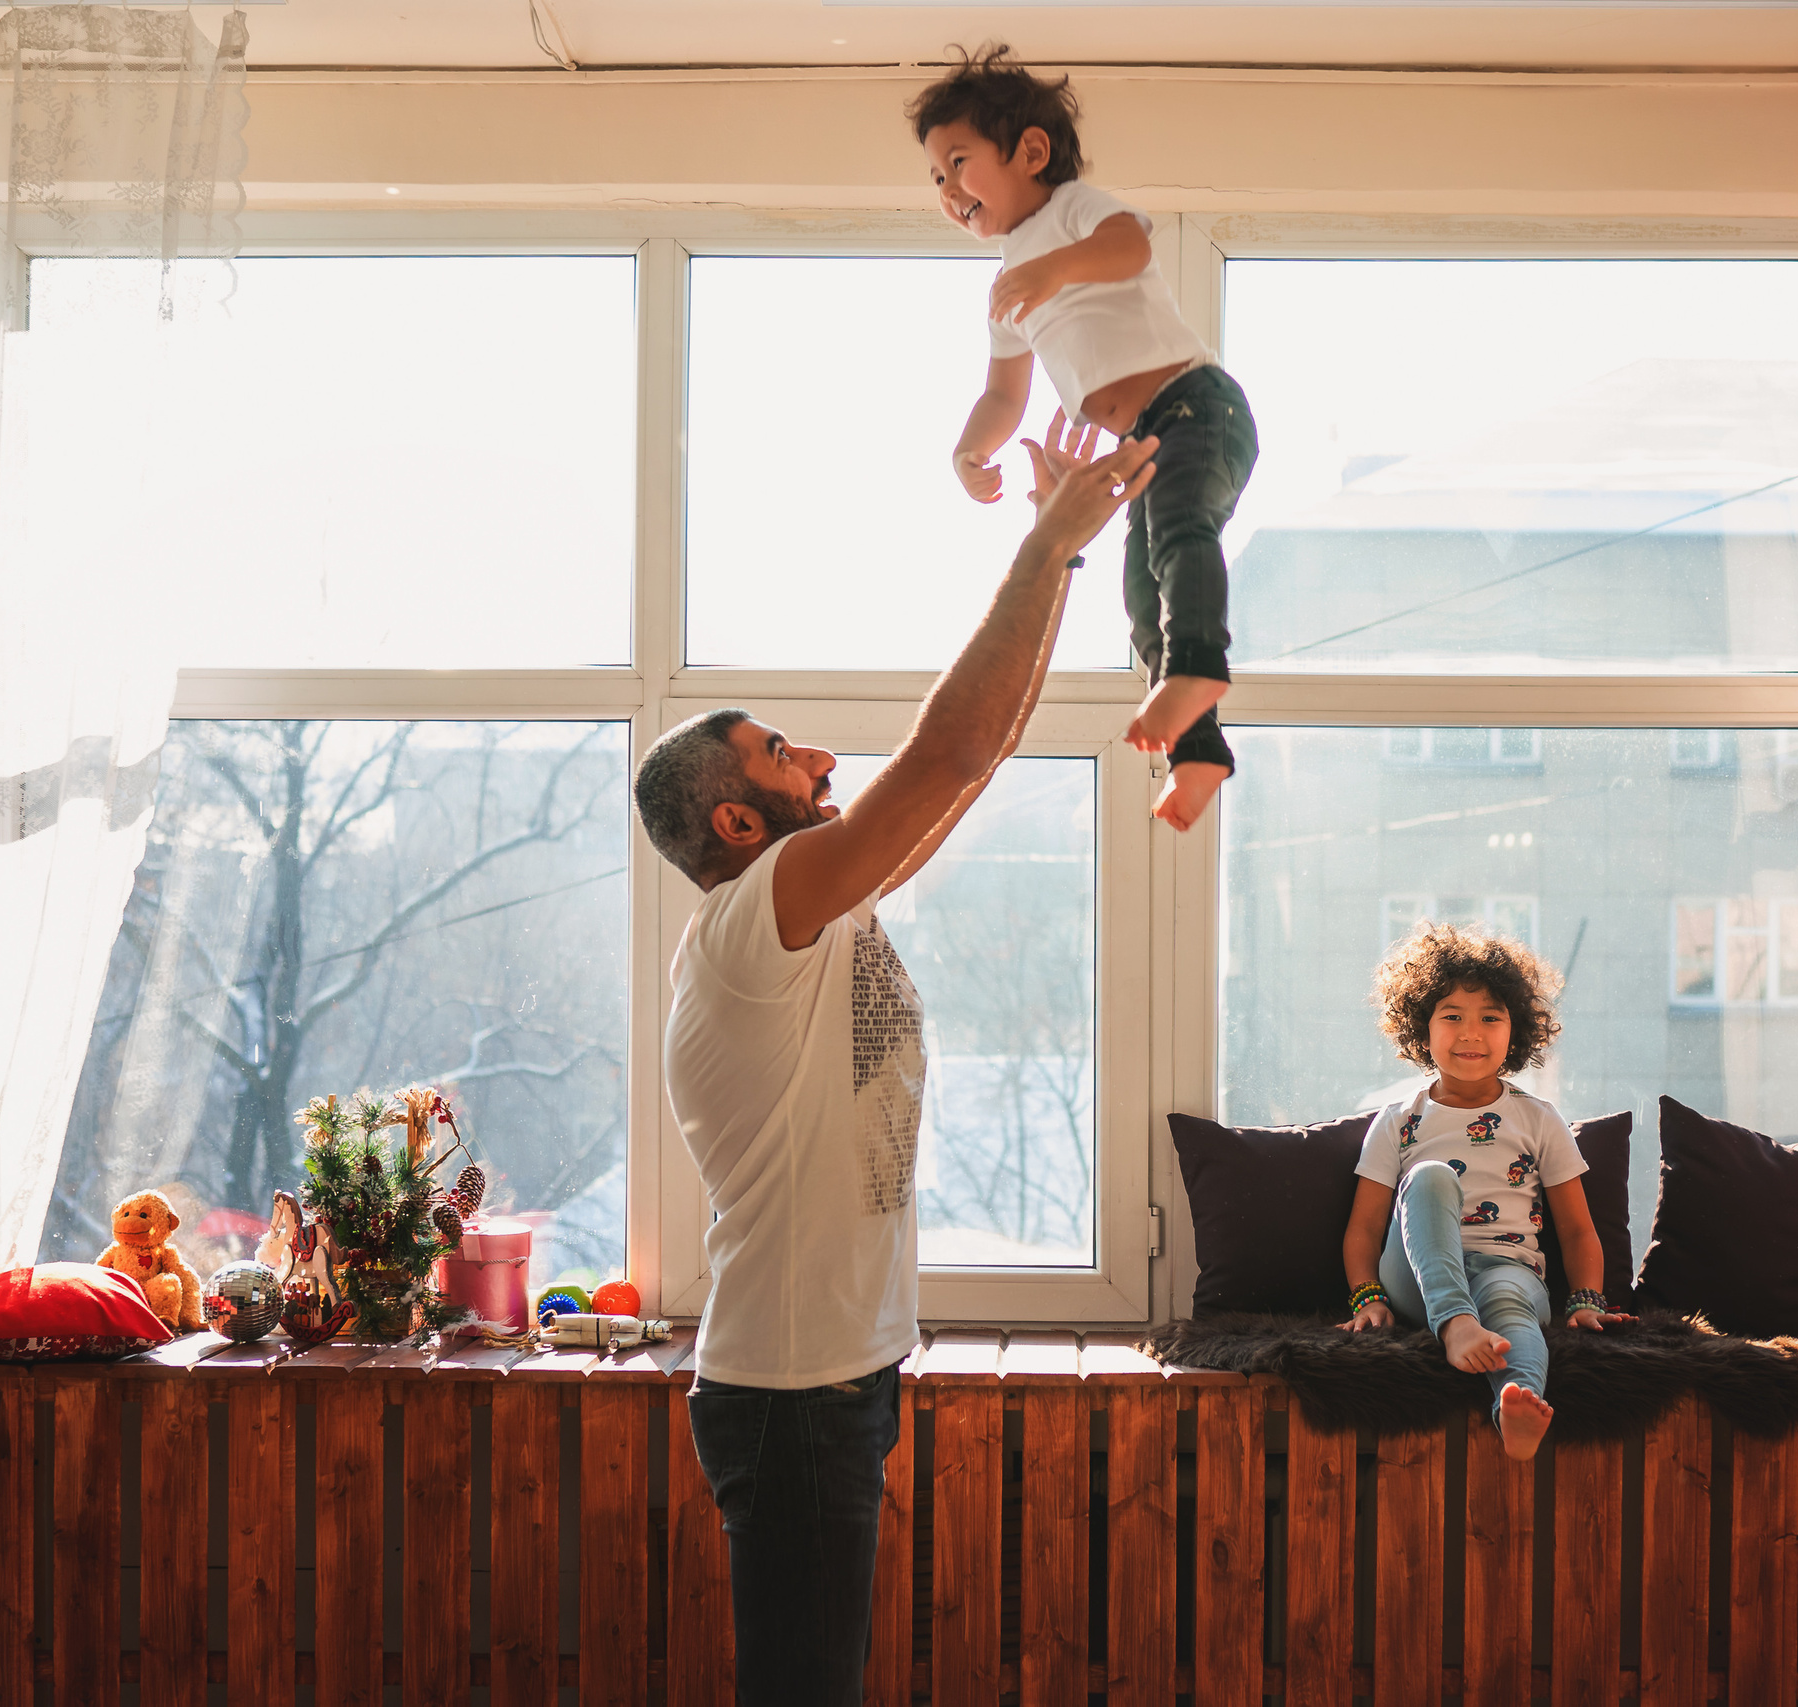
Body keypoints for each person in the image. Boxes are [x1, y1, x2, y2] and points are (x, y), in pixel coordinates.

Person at [637, 421, 1155, 1703]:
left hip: (831, 1375)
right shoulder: (758, 917)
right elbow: (946, 756)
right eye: (780, 752)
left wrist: (1067, 567)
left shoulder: (810, 918)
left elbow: (965, 772)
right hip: (795, 1390)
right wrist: (1041, 542)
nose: (819, 756)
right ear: (738, 821)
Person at [909, 44, 1259, 834]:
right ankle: (1197, 754)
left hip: (1196, 408)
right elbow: (1004, 391)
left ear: (1030, 152)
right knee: (1140, 594)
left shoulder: (1070, 213)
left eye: (957, 161)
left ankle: (1201, 667)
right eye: (934, 176)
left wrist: (1055, 271)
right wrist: (970, 451)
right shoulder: (1005, 282)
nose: (945, 188)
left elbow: (1129, 248)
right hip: (1139, 445)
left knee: (1178, 536)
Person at [1337, 922, 1632, 1460]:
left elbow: (1577, 1229)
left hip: (1510, 1273)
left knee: (1512, 1313)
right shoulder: (1398, 1120)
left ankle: (1515, 1409)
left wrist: (1587, 1300)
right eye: (1452, 1016)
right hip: (1420, 1283)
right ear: (1421, 1029)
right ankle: (1456, 1326)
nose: (1471, 1033)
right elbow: (1363, 1228)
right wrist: (1368, 1296)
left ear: (1515, 1032)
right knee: (1430, 1177)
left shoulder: (1539, 1119)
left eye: (1490, 1017)